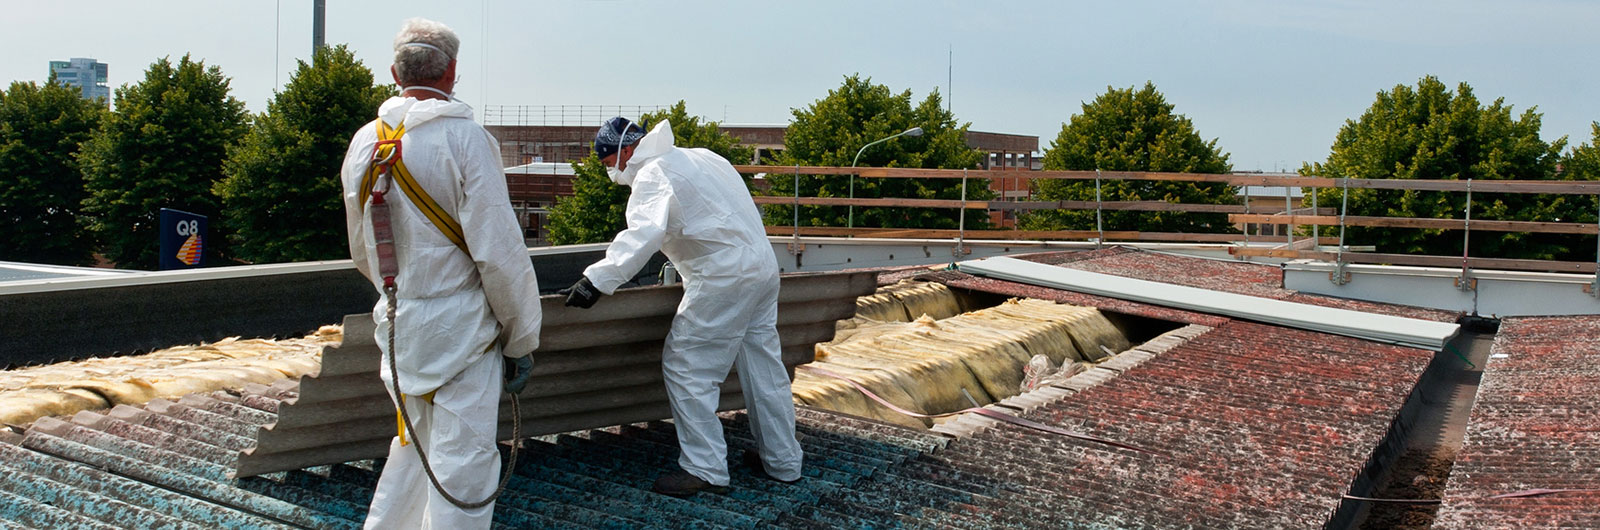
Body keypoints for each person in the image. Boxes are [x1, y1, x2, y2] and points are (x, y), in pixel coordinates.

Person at [340, 18, 540, 529]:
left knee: (412, 451)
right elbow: (499, 255)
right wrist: (521, 338)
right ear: (452, 72)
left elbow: (363, 250)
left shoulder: (365, 143)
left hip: (400, 328)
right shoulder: (467, 140)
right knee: (463, 468)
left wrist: (405, 295)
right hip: (463, 336)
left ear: (393, 72)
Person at [564, 117, 803, 496]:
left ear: (625, 151)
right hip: (762, 267)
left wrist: (597, 280)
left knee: (687, 365)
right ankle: (783, 461)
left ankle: (705, 468)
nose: (611, 171)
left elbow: (643, 233)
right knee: (763, 366)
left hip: (723, 276)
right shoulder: (703, 157)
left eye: (608, 163)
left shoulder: (652, 174)